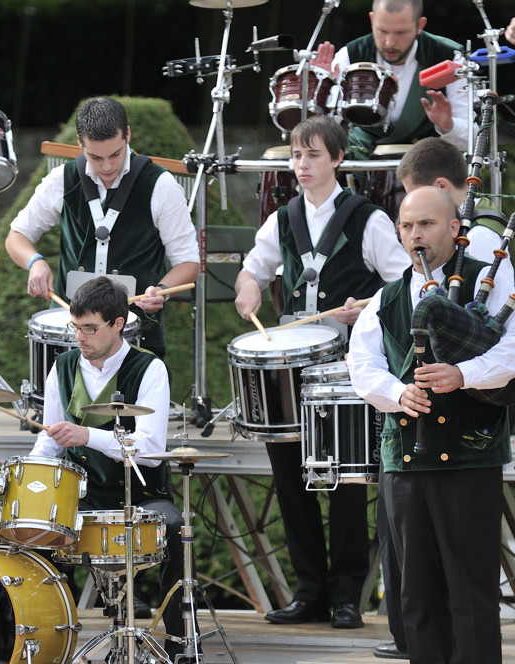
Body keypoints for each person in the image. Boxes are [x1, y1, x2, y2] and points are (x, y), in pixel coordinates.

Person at [233, 115, 411, 629]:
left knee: (345, 482)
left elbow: (403, 284)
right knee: (290, 481)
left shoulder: (368, 218)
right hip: (291, 368)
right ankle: (309, 592)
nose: (302, 165)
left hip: (345, 368)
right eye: (296, 155)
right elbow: (254, 268)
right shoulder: (282, 218)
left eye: (312, 155)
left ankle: (348, 595)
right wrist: (247, 285)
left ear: (336, 159)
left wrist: (368, 307)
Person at [347, 186, 515, 663]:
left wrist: (463, 374)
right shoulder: (386, 297)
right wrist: (399, 393)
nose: (415, 234)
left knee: (470, 589)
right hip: (404, 459)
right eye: (406, 225)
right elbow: (363, 367)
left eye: (426, 224)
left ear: (455, 229)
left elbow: (512, 350)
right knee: (415, 595)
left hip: (469, 455)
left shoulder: (492, 279)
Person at [29, 276, 187, 659]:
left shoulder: (149, 369)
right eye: (75, 326)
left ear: (118, 324)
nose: (80, 337)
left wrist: (86, 435)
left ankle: (184, 643)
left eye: (89, 328)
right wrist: (29, 478)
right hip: (81, 497)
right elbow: (49, 439)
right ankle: (47, 641)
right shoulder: (63, 367)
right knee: (34, 534)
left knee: (175, 528)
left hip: (141, 498)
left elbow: (149, 449)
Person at [4, 96, 198, 358]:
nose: (107, 166)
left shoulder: (162, 186)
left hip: (135, 334)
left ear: (127, 135)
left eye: (115, 154)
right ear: (79, 143)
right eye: (95, 157)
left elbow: (188, 262)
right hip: (68, 333)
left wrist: (162, 291)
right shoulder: (62, 179)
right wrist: (35, 262)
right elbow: (17, 236)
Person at [314, 0, 472, 159]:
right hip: (362, 165)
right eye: (382, 31)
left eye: (400, 33)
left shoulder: (449, 59)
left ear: (420, 25)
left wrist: (448, 125)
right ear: (371, 20)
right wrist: (321, 96)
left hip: (429, 167)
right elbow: (321, 132)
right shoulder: (351, 56)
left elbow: (472, 140)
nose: (389, 42)